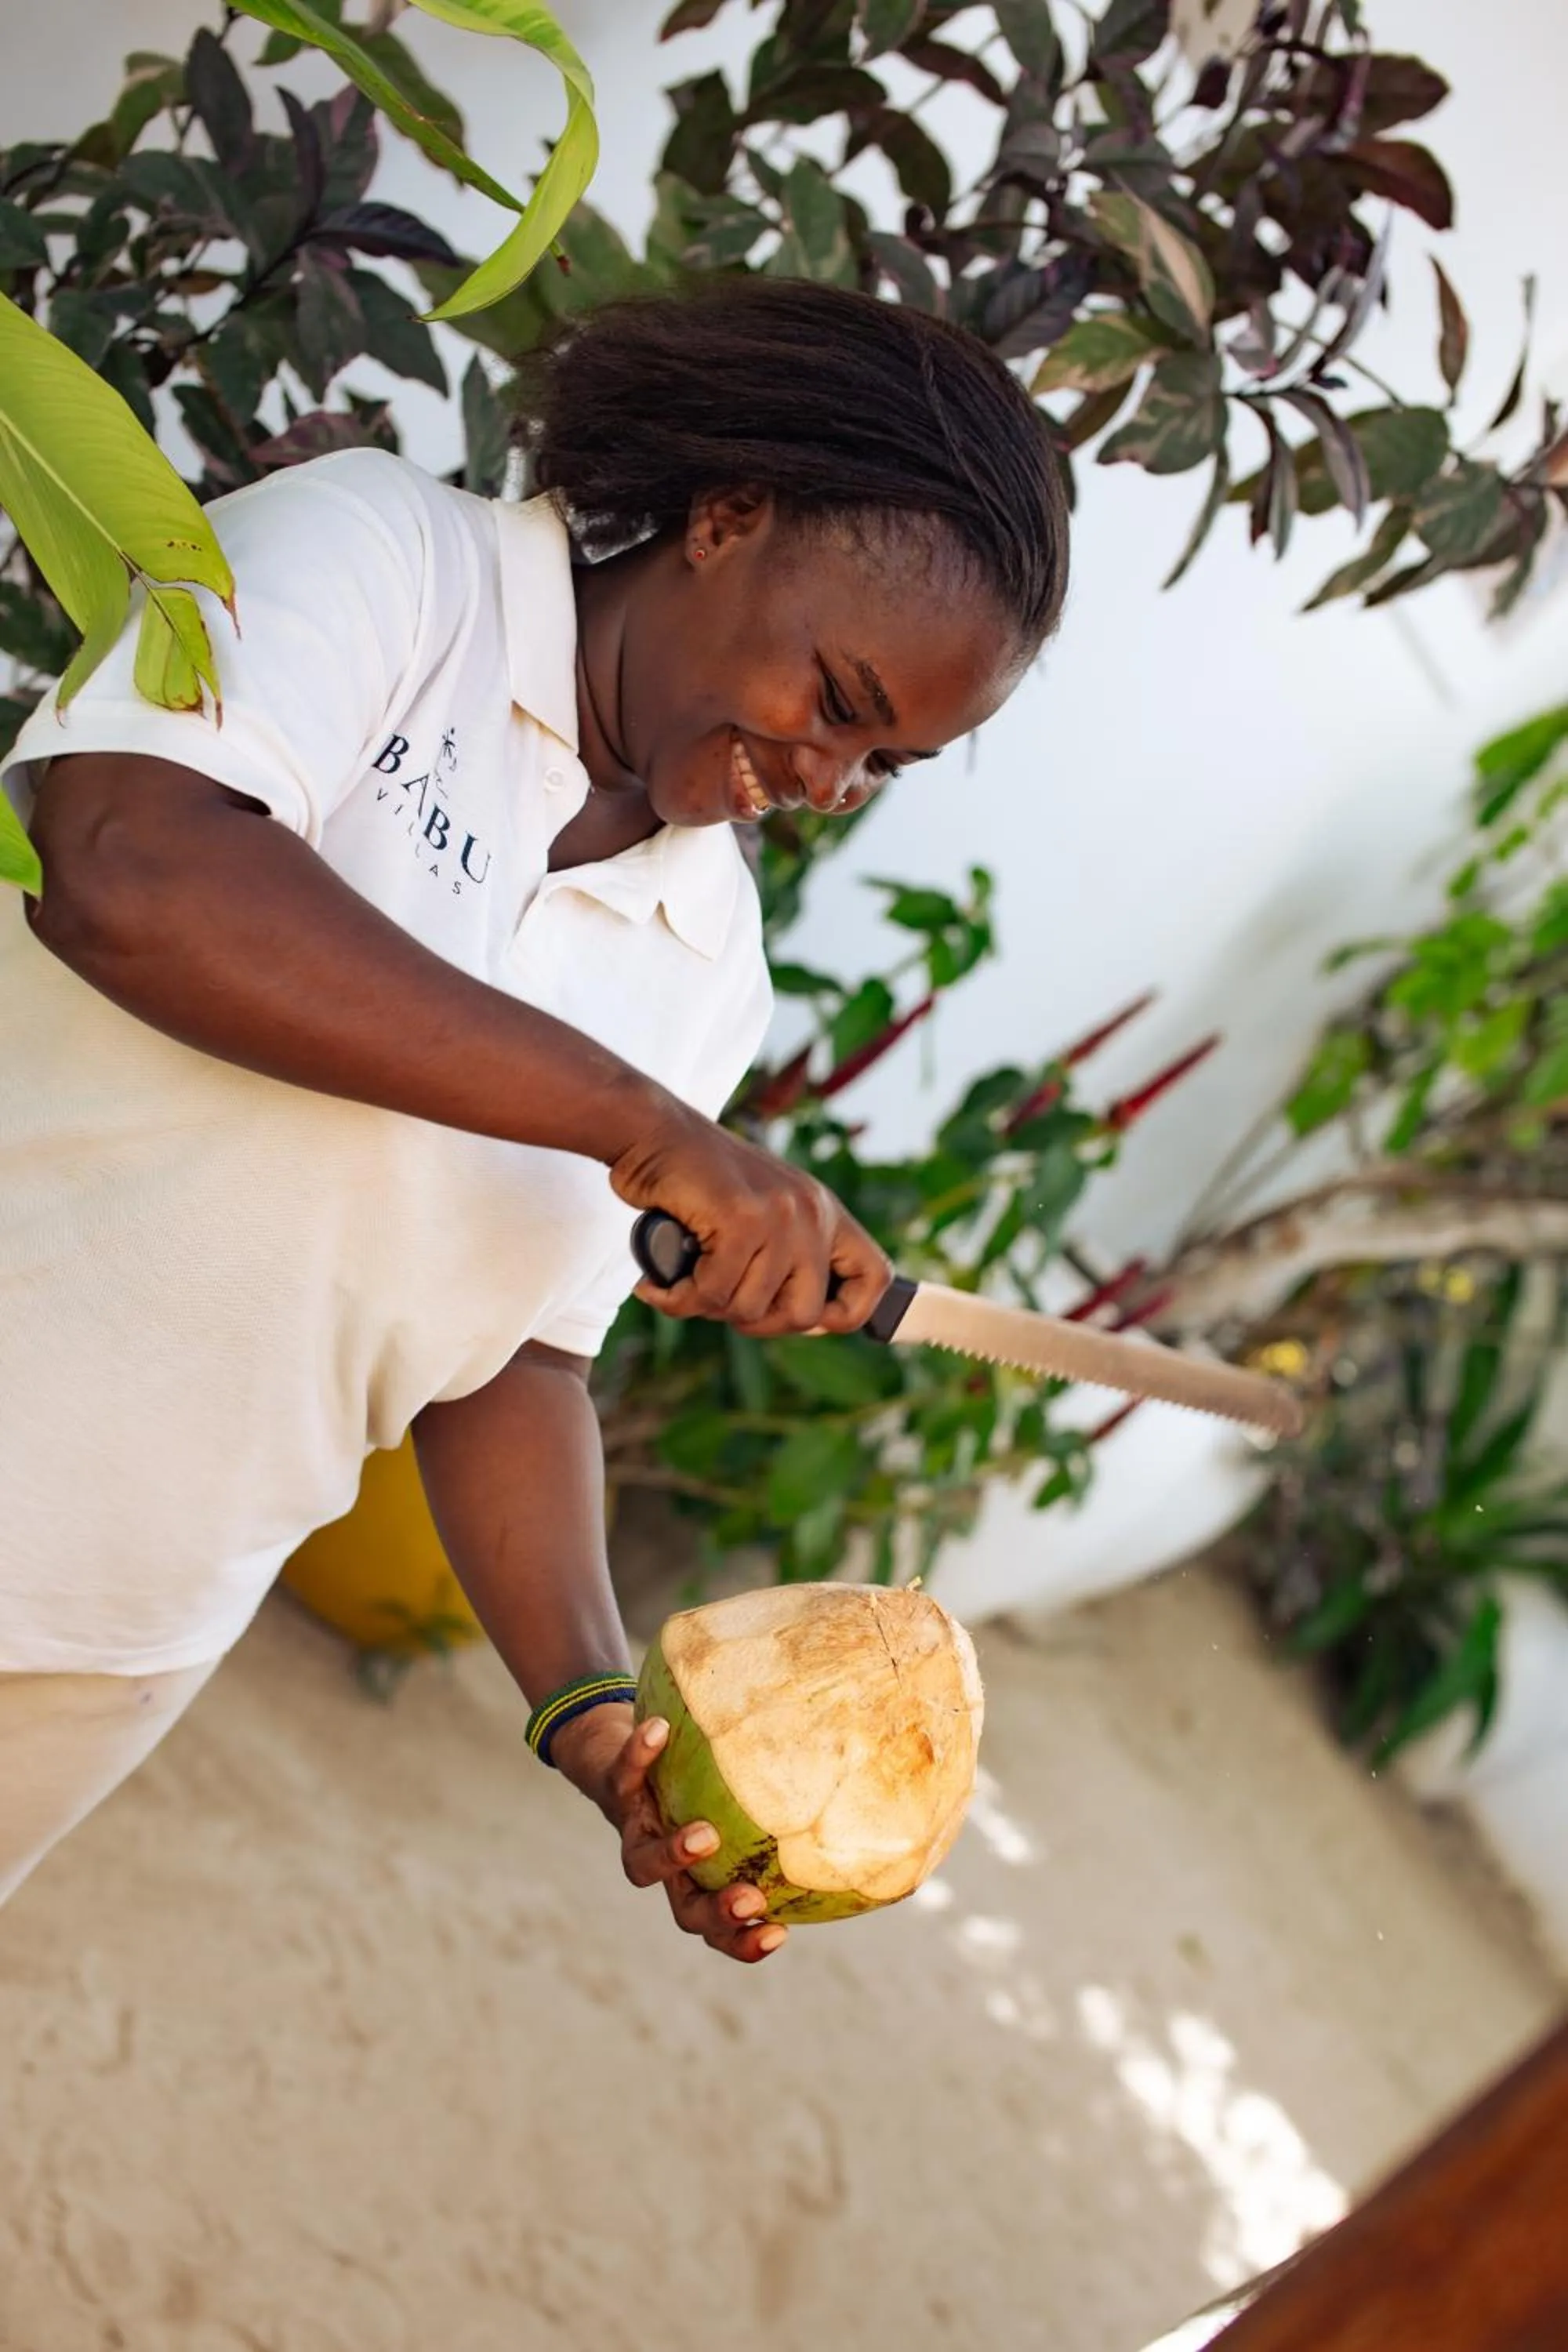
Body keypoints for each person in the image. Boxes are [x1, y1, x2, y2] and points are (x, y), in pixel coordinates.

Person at [0, 278, 1069, 1951]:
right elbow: (130, 868)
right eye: (838, 700)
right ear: (726, 515)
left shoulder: (709, 962)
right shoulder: (385, 561)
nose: (829, 781)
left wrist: (591, 1707)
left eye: (886, 766)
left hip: (106, 1633)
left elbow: (516, 1354)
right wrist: (633, 1120)